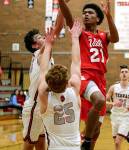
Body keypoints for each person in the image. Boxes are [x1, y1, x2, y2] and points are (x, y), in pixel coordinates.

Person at [57, 0, 119, 149]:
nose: (86, 15)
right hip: (84, 76)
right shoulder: (80, 33)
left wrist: (109, 16)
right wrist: (61, 2)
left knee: (96, 130)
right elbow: (68, 17)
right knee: (99, 100)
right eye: (84, 13)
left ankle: (88, 140)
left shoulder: (104, 36)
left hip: (100, 79)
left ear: (98, 19)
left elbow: (116, 38)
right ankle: (86, 140)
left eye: (90, 13)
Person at [22, 10, 65, 150]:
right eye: (40, 37)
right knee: (29, 144)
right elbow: (57, 30)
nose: (44, 37)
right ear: (35, 45)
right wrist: (63, 7)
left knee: (41, 143)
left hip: (43, 107)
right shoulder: (39, 54)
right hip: (34, 107)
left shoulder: (46, 55)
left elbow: (56, 33)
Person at [38, 20, 81, 150]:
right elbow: (76, 62)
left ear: (48, 83)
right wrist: (75, 38)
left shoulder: (44, 97)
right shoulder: (74, 90)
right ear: (67, 82)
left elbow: (43, 70)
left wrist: (48, 44)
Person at [106, 65, 129, 150]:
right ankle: (127, 134)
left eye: (126, 72)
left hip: (126, 117)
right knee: (116, 143)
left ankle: (126, 132)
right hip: (114, 116)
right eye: (122, 72)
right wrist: (113, 103)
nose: (124, 74)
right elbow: (105, 102)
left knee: (118, 142)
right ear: (120, 75)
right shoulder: (113, 87)